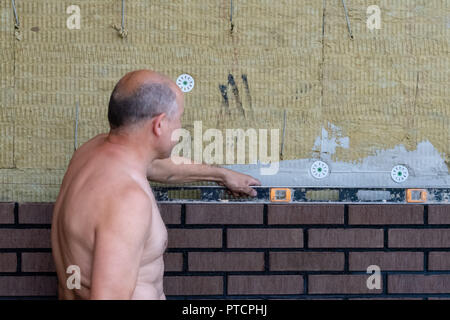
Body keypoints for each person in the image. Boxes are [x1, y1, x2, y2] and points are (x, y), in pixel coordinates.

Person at [51, 69, 261, 299]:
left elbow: (160, 168)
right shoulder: (127, 202)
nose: (180, 128)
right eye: (179, 118)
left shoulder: (91, 153)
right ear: (159, 124)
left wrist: (220, 175)